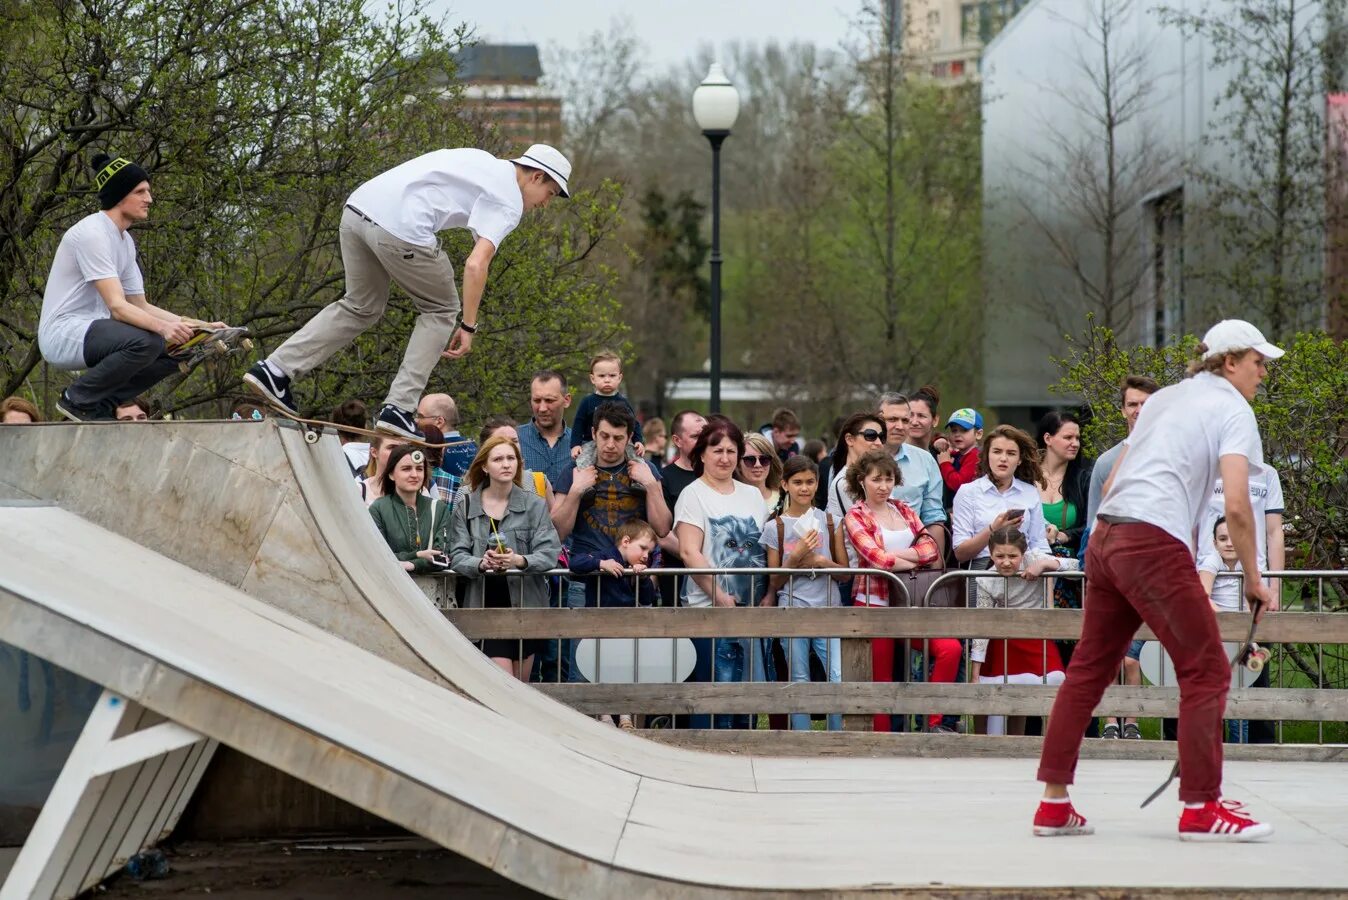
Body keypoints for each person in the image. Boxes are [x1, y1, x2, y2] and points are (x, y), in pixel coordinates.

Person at [1034, 319, 1281, 842]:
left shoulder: (1168, 397)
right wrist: (1257, 579)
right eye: (1258, 361)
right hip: (1150, 540)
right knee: (1208, 669)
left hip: (1108, 535)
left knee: (1088, 670)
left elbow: (1123, 471)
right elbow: (1237, 504)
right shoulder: (1234, 409)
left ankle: (1053, 804)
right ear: (1230, 361)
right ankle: (1201, 807)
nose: (1264, 371)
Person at [245, 144, 572, 438]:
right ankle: (399, 408)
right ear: (536, 176)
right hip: (401, 230)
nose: (544, 205)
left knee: (361, 305)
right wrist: (469, 326)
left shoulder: (482, 161)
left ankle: (274, 370)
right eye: (550, 194)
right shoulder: (509, 200)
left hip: (357, 210)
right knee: (441, 309)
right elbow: (476, 265)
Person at [39, 153, 219, 421]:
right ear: (119, 195)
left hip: (95, 333)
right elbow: (118, 307)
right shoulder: (92, 233)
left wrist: (200, 328)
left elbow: (140, 305)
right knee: (148, 340)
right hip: (63, 334)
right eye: (140, 191)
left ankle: (100, 404)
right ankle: (76, 398)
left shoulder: (124, 241)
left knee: (182, 348)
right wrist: (164, 328)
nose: (149, 199)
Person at [552, 401, 670, 679]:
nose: (610, 444)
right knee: (584, 667)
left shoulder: (645, 471)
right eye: (604, 436)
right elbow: (557, 530)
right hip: (587, 578)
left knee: (630, 665)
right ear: (593, 433)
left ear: (630, 437)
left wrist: (651, 485)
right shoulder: (574, 471)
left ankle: (626, 722)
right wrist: (576, 491)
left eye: (618, 438)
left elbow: (662, 528)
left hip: (631, 582)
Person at [843, 449, 957, 732]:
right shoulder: (855, 516)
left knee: (950, 649)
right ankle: (883, 742)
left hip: (912, 600)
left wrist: (899, 559)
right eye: (877, 480)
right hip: (874, 602)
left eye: (889, 479)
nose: (883, 486)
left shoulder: (904, 509)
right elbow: (877, 560)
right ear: (862, 481)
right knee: (882, 678)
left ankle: (932, 723)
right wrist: (911, 557)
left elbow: (931, 550)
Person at [674, 415, 770, 729]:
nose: (725, 458)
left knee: (746, 701)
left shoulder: (753, 495)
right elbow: (690, 551)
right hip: (709, 609)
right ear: (702, 454)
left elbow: (762, 550)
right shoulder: (693, 494)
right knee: (714, 697)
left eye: (731, 451)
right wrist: (718, 595)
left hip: (749, 609)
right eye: (717, 451)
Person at [449, 435, 563, 680]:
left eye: (511, 458)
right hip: (484, 607)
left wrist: (519, 561)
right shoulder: (467, 505)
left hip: (525, 608)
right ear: (484, 466)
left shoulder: (534, 505)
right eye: (498, 459)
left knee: (521, 689)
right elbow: (456, 554)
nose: (506, 464)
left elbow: (550, 552)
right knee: (506, 685)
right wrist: (480, 563)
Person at [1085, 375, 1160, 740]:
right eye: (1133, 404)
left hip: (1159, 576)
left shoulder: (1175, 457)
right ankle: (1112, 721)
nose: (1139, 410)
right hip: (1115, 576)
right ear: (1123, 410)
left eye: (1147, 403)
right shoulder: (1107, 462)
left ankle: (1136, 719)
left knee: (1137, 657)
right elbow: (1093, 526)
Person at [760, 457, 848, 731]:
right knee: (798, 675)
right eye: (797, 482)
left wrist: (822, 563)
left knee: (837, 675)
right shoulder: (776, 527)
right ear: (785, 484)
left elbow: (844, 573)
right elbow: (774, 580)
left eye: (810, 482)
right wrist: (796, 557)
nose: (804, 488)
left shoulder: (831, 521)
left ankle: (837, 734)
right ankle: (802, 735)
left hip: (828, 607)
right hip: (793, 607)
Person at [971, 526, 1067, 736]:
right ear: (990, 553)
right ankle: (982, 743)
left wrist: (1043, 564)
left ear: (1023, 553)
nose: (1006, 562)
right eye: (1000, 556)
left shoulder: (1034, 559)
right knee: (989, 691)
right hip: (1003, 639)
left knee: (1056, 680)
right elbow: (982, 624)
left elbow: (1074, 564)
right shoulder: (985, 578)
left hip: (1034, 636)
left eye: (1013, 556)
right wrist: (975, 672)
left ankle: (1052, 746)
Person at [952, 425, 1051, 568]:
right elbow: (960, 553)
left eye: (1011, 453)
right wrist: (993, 529)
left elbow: (1039, 544)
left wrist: (1047, 582)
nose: (1003, 458)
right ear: (987, 455)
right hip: (981, 570)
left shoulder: (1030, 492)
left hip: (1024, 572)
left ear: (1019, 459)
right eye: (997, 452)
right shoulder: (968, 492)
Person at [878, 392, 948, 555]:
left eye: (904, 420)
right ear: (877, 420)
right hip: (865, 563)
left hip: (913, 564)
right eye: (892, 420)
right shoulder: (859, 459)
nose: (900, 426)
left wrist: (936, 574)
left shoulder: (926, 461)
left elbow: (933, 518)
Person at [368, 444, 453, 574]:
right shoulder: (378, 509)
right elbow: (377, 556)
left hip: (434, 591)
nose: (414, 475)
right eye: (406, 469)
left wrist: (412, 564)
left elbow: (442, 557)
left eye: (419, 469)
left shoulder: (439, 508)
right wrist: (418, 554)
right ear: (391, 474)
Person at [657, 410, 706, 607]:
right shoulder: (663, 478)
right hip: (677, 577)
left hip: (720, 580)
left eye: (706, 435)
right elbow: (661, 534)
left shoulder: (720, 477)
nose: (703, 441)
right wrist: (702, 559)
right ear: (677, 440)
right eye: (695, 436)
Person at [569, 351, 643, 455]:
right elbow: (578, 424)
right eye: (602, 376)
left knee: (636, 459)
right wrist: (575, 445)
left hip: (618, 445)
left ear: (619, 378)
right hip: (590, 444)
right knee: (581, 464)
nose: (607, 380)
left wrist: (638, 441)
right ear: (593, 378)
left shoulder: (623, 403)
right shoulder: (587, 402)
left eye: (612, 375)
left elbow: (634, 423)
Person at [824, 412, 888, 520]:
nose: (878, 443)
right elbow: (871, 524)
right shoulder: (844, 483)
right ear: (849, 439)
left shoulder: (878, 477)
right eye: (870, 436)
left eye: (881, 437)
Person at [516, 370, 574, 486]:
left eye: (549, 400)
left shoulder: (580, 443)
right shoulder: (514, 439)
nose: (542, 408)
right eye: (537, 400)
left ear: (566, 401)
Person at [417, 393, 476, 477]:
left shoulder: (431, 449)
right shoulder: (474, 447)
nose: (416, 420)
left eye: (421, 416)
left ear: (439, 422)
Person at [935, 407, 983, 511]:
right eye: (954, 430)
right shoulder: (960, 454)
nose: (957, 434)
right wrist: (939, 440)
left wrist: (945, 464)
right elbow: (949, 452)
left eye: (964, 430)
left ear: (978, 434)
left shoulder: (975, 456)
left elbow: (959, 485)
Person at [736, 432, 783, 510]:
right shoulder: (728, 500)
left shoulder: (784, 499)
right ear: (738, 464)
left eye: (764, 459)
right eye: (750, 460)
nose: (758, 465)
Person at [362, 433, 407, 506]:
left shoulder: (418, 491)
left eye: (403, 448)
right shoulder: (360, 490)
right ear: (374, 452)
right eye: (392, 447)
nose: (398, 452)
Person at [906, 385, 941, 452]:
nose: (914, 422)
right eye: (910, 415)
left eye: (921, 416)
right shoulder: (892, 455)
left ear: (935, 420)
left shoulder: (941, 458)